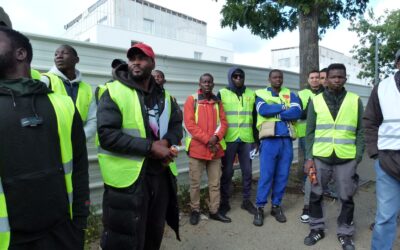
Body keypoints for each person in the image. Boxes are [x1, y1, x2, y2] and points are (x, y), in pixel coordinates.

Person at [0, 26, 89, 250]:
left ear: (21, 53)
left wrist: (79, 224)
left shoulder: (63, 104)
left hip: (62, 234)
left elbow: (79, 168)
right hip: (9, 241)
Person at [97, 42, 182, 250]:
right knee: (125, 236)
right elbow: (107, 135)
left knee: (154, 232)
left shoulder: (166, 97)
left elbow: (177, 126)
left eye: (141, 58)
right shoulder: (112, 91)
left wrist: (167, 142)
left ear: (152, 63)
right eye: (132, 59)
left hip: (160, 175)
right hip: (129, 180)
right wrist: (151, 147)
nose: (135, 62)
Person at [303, 63, 364, 250]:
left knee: (346, 197)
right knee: (315, 195)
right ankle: (316, 228)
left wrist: (357, 157)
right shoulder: (317, 100)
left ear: (345, 79)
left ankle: (345, 233)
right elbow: (310, 131)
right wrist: (309, 157)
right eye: (333, 77)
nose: (337, 79)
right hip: (320, 157)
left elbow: (361, 131)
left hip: (346, 159)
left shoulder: (355, 100)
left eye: (341, 76)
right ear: (326, 79)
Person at [253, 69, 302, 226]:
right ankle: (260, 208)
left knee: (282, 175)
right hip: (269, 141)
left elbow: (296, 112)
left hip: (286, 140)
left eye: (280, 77)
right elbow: (263, 110)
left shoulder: (291, 94)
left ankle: (276, 206)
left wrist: (277, 112)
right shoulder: (261, 93)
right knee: (266, 176)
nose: (278, 79)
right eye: (275, 77)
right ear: (269, 79)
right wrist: (283, 107)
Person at [184, 73, 231, 225]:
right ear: (199, 83)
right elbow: (190, 125)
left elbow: (223, 123)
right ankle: (195, 210)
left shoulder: (217, 101)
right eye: (204, 81)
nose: (207, 84)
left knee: (215, 183)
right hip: (197, 149)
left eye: (209, 82)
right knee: (195, 183)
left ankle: (214, 211)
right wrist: (207, 139)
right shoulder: (192, 99)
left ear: (213, 84)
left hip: (215, 149)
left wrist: (215, 138)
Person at [364, 49, 400, 250]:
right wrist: (375, 154)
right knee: (386, 217)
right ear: (397, 63)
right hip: (387, 160)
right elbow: (370, 121)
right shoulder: (382, 88)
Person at [217, 67, 258, 216]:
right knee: (227, 172)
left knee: (247, 172)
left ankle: (246, 201)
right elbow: (217, 118)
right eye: (235, 76)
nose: (238, 78)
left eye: (241, 76)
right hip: (229, 138)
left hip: (247, 139)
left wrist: (256, 140)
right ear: (230, 78)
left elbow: (255, 118)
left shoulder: (251, 94)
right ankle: (224, 202)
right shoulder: (222, 93)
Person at [41, 45, 96, 140]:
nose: (59, 56)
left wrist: (80, 138)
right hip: (52, 144)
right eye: (56, 54)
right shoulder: (45, 80)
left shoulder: (87, 89)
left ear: (77, 60)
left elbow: (93, 119)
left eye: (64, 53)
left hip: (78, 146)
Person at [297, 70, 324, 223]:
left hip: (323, 135)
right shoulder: (301, 94)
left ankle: (316, 193)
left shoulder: (325, 93)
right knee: (311, 166)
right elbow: (298, 114)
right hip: (305, 135)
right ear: (308, 79)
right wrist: (310, 108)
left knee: (320, 167)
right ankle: (308, 204)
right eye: (312, 77)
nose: (315, 80)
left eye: (317, 78)